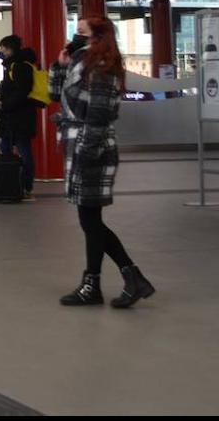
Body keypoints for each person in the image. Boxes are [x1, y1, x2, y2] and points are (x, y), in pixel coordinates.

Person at [53, 17, 155, 308]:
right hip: (83, 144)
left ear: (97, 37)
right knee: (90, 220)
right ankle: (99, 282)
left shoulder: (102, 68)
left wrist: (85, 152)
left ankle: (123, 278)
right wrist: (61, 65)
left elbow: (97, 115)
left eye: (80, 32)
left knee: (90, 220)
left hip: (93, 148)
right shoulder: (82, 63)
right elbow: (56, 96)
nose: (74, 36)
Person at [0, 35, 38, 200]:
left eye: (2, 48)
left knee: (24, 151)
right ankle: (10, 186)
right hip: (11, 117)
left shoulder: (21, 66)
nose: (0, 51)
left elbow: (22, 92)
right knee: (7, 151)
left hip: (20, 118)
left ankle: (26, 187)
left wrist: (5, 104)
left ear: (10, 49)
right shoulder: (12, 66)